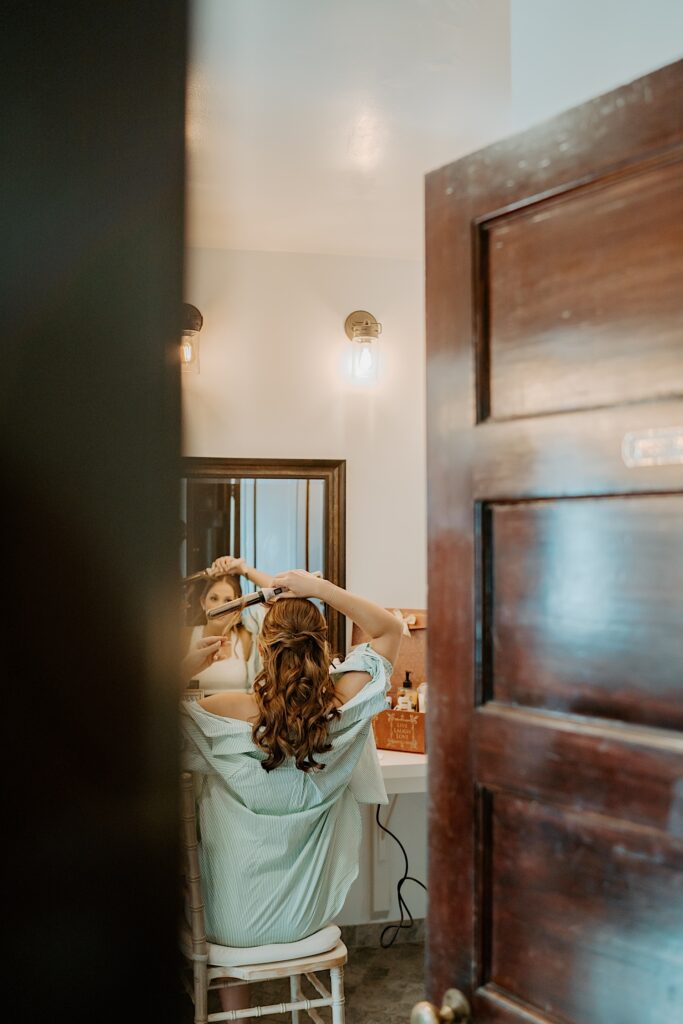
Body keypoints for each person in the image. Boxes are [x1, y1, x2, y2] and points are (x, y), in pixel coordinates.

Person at [179, 569, 402, 1020]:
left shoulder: (227, 715)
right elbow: (389, 630)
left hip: (230, 925)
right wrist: (318, 589)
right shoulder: (343, 710)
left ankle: (234, 1016)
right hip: (308, 916)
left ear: (264, 648)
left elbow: (137, 714)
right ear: (323, 647)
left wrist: (184, 668)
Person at [182, 555, 276, 693]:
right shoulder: (185, 636)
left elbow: (278, 592)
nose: (220, 607)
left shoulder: (247, 636)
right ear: (203, 602)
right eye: (214, 598)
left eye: (228, 601)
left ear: (237, 607)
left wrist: (242, 569)